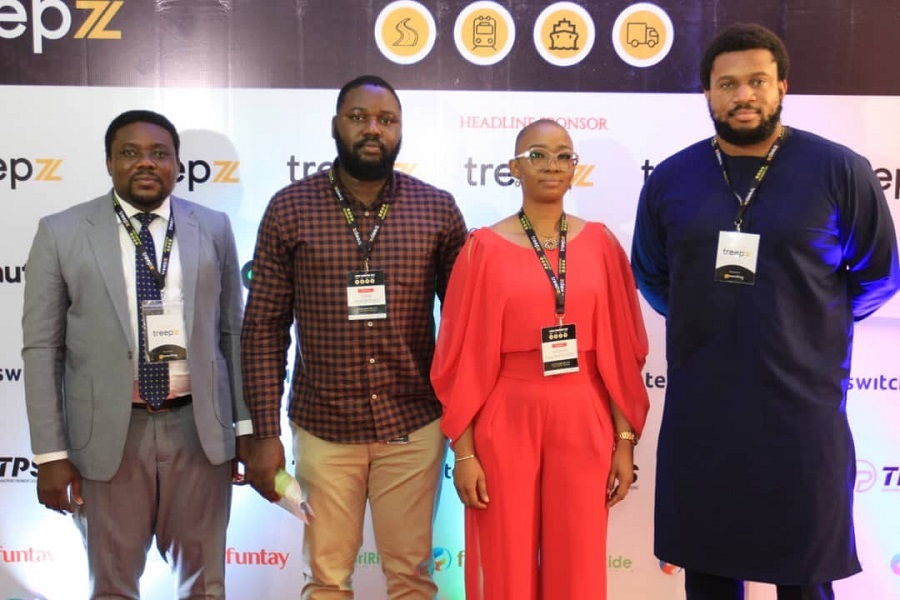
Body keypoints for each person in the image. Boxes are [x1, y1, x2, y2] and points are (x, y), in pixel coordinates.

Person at [631, 23, 900, 600]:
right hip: (704, 412)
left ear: (782, 86)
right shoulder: (672, 179)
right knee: (709, 571)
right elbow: (652, 274)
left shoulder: (838, 170)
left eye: (757, 81)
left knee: (804, 578)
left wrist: (810, 324)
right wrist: (715, 321)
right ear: (707, 92)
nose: (743, 95)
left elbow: (879, 275)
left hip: (801, 415)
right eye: (727, 84)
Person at [240, 74, 467, 599]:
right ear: (335, 126)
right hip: (324, 426)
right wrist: (264, 432)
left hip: (412, 424)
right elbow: (264, 329)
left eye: (386, 120)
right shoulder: (290, 208)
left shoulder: (436, 209)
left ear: (400, 131)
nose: (373, 129)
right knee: (326, 578)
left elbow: (466, 324)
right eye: (359, 117)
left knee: (412, 577)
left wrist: (472, 425)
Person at [21, 109, 251, 598]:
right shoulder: (62, 232)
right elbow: (42, 348)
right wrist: (50, 454)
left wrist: (246, 428)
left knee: (205, 585)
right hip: (109, 437)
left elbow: (232, 332)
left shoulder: (213, 227)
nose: (146, 163)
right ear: (109, 162)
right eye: (130, 152)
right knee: (112, 585)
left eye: (159, 153)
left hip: (199, 433)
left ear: (177, 165)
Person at [431, 119, 650, 600]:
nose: (552, 164)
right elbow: (460, 358)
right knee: (506, 559)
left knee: (578, 561)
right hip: (506, 414)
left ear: (575, 169)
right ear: (514, 168)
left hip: (584, 412)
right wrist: (464, 452)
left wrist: (624, 442)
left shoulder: (602, 246)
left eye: (563, 155)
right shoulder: (482, 249)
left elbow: (620, 353)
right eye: (538, 154)